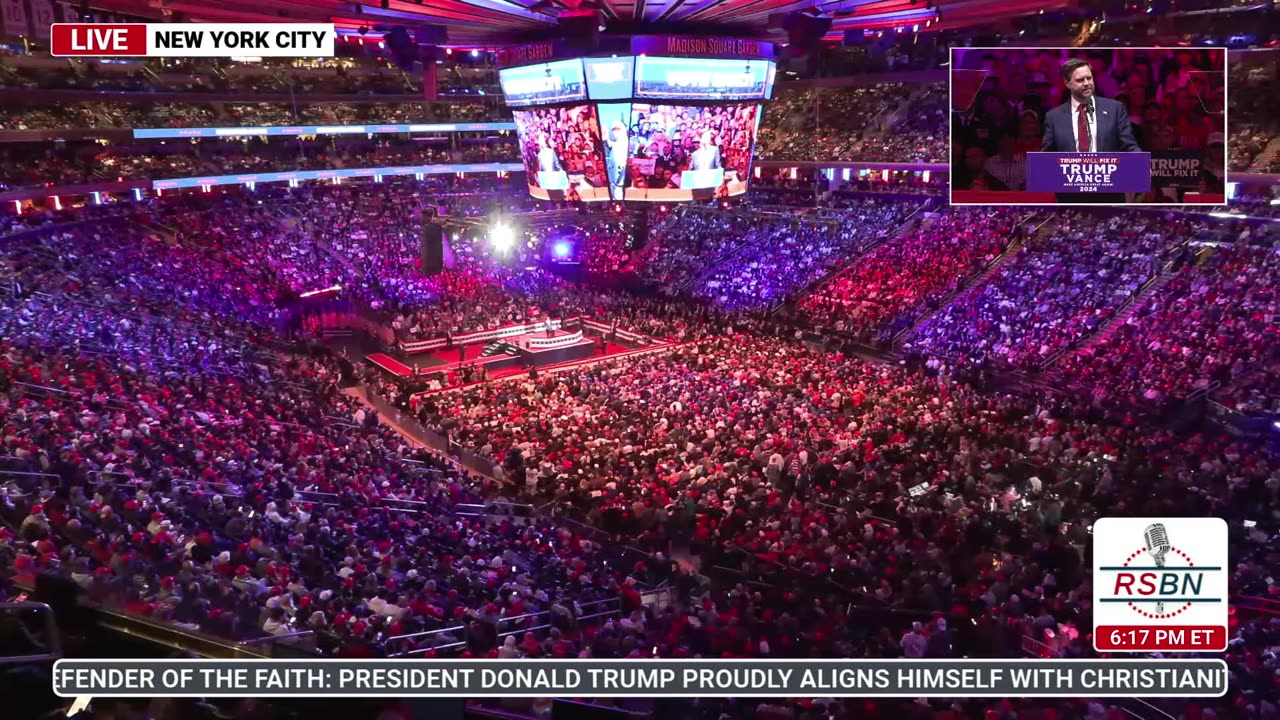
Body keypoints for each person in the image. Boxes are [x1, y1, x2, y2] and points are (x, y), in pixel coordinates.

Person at [1041, 57, 1140, 203]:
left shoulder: (1115, 109)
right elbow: (1047, 155)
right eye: (1080, 80)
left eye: (1089, 78)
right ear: (1067, 83)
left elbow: (1129, 145)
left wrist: (1139, 163)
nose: (1087, 83)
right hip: (1069, 195)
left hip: (1108, 192)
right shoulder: (1054, 116)